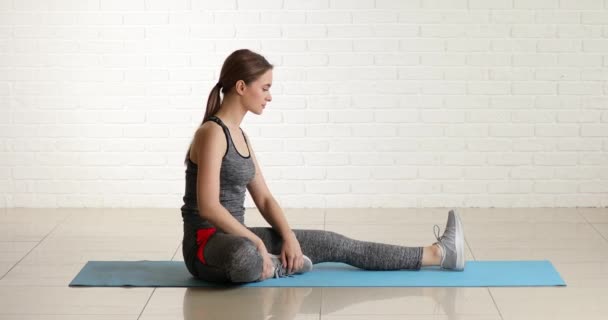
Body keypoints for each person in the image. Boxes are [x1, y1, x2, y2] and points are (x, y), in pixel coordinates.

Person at [180, 49, 465, 284]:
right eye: (265, 88)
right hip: (206, 245)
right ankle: (271, 264)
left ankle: (439, 253)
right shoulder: (212, 133)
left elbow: (264, 198)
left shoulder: (241, 136)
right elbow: (208, 208)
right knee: (245, 257)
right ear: (241, 87)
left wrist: (288, 237)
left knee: (334, 243)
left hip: (236, 236)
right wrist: (256, 242)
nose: (269, 96)